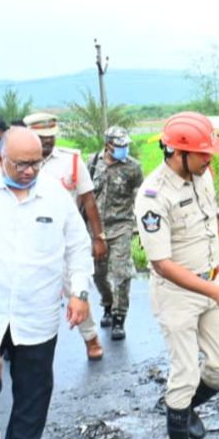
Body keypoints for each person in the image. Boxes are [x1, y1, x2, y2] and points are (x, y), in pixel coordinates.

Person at [0, 127, 92, 439]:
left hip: (37, 313)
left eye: (36, 163)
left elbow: (78, 246)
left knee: (34, 391)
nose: (30, 171)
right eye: (21, 164)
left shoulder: (55, 194)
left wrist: (79, 292)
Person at [135, 112, 219, 439]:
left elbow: (209, 214)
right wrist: (217, 291)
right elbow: (162, 264)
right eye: (203, 153)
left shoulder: (203, 173)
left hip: (213, 279)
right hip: (177, 293)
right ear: (178, 153)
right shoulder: (153, 197)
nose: (209, 159)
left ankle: (186, 407)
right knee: (183, 374)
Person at [22, 112, 107, 361]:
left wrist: (98, 236)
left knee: (76, 290)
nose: (47, 142)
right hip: (31, 241)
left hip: (65, 239)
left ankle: (90, 338)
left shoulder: (71, 161)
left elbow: (89, 201)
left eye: (51, 137)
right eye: (41, 138)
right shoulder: (18, 163)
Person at [90, 125, 143, 339]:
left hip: (121, 225)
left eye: (126, 145)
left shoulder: (133, 168)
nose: (124, 149)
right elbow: (85, 195)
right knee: (99, 273)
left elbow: (141, 197)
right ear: (108, 146)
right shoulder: (93, 163)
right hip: (96, 228)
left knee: (121, 273)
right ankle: (108, 304)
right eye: (120, 146)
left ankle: (119, 318)